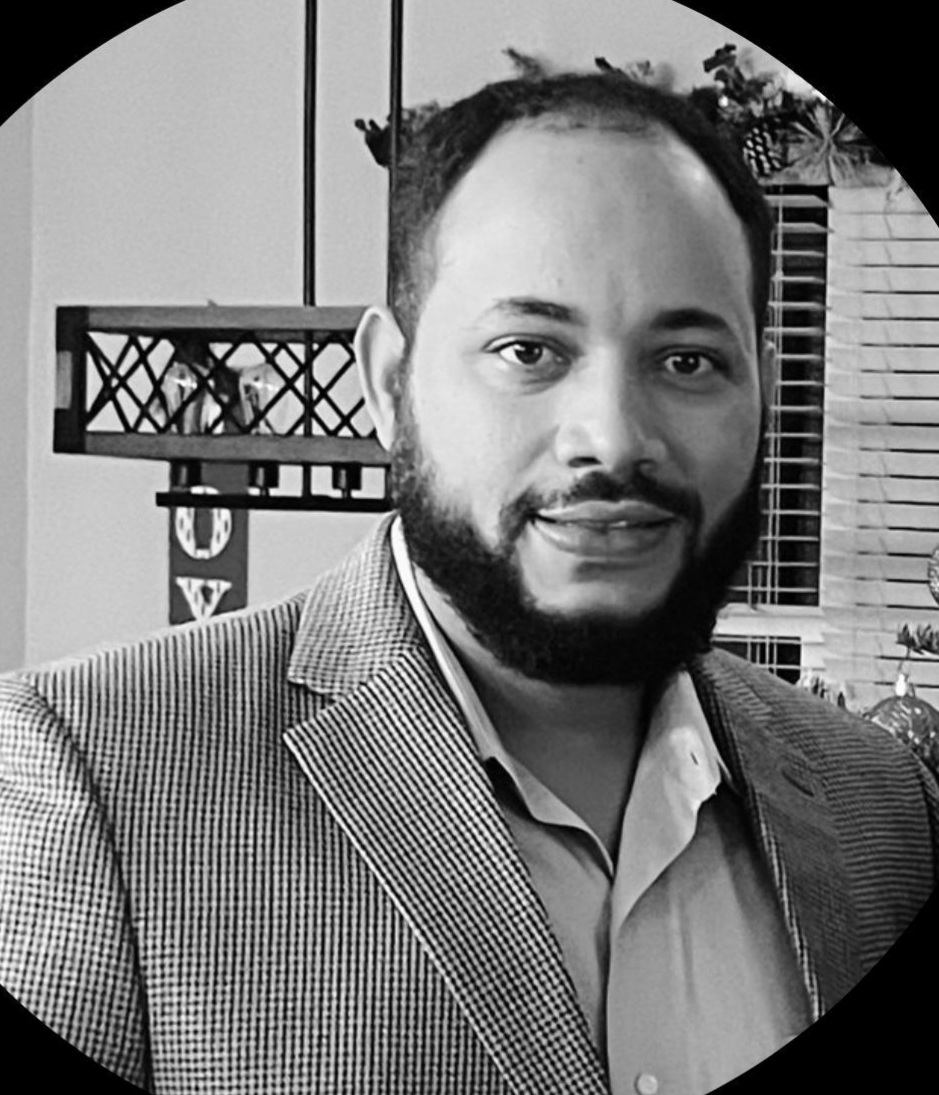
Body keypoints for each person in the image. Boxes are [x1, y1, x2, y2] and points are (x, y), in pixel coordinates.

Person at [0, 71, 936, 1095]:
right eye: (528, 350)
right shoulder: (94, 776)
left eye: (686, 361)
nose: (612, 438)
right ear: (388, 383)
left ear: (761, 383)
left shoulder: (883, 808)